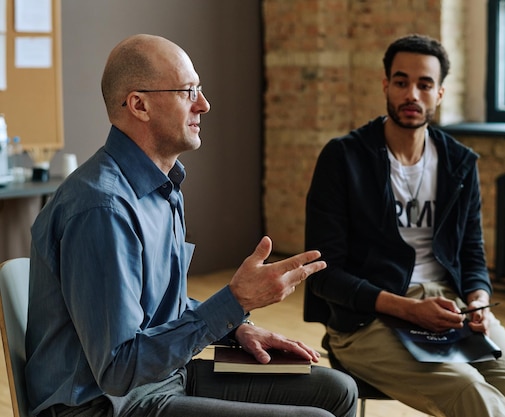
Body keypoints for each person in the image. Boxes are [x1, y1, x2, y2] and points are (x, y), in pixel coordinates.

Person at [25, 34, 357, 417]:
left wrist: (234, 326)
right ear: (139, 105)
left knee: (338, 389)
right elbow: (119, 369)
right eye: (188, 91)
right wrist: (236, 301)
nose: (204, 104)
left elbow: (156, 308)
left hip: (159, 378)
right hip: (104, 404)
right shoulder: (102, 208)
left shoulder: (163, 187)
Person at [304, 33, 505, 417]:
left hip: (449, 306)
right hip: (367, 318)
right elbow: (322, 274)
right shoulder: (344, 158)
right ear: (386, 85)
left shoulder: (459, 163)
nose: (412, 95)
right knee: (473, 393)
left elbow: (472, 252)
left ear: (439, 93)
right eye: (402, 82)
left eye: (425, 84)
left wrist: (479, 300)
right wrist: (407, 309)